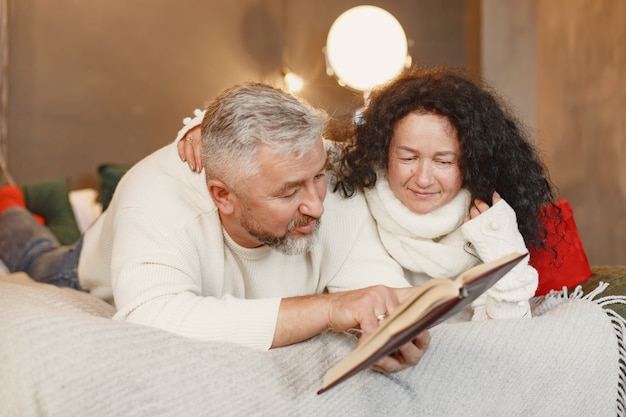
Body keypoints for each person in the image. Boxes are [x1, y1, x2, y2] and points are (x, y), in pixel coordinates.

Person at [0, 82, 429, 374]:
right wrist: (328, 310)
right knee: (36, 257)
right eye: (288, 192)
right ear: (221, 195)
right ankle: (9, 206)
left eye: (317, 177)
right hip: (82, 267)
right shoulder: (155, 194)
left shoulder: (327, 175)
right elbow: (152, 316)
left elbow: (376, 291)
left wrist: (391, 329)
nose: (316, 206)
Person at [332, 66, 561, 321]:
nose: (423, 179)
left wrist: (502, 245)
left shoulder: (485, 221)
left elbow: (506, 334)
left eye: (444, 162)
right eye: (408, 157)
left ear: (471, 164)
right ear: (383, 154)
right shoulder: (353, 206)